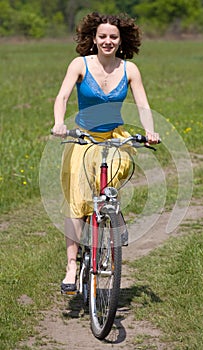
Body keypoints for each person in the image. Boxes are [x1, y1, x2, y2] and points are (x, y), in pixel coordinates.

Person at [52, 12, 160, 294]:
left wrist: (150, 132)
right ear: (94, 39)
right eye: (103, 36)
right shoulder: (80, 65)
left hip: (114, 136)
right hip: (83, 138)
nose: (108, 41)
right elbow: (62, 96)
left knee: (116, 171)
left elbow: (143, 105)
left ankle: (108, 214)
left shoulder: (129, 70)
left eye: (113, 37)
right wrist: (59, 123)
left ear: (121, 40)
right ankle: (72, 266)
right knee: (76, 200)